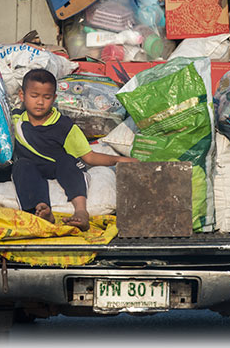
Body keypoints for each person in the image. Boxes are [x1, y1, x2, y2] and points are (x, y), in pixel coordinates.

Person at [11, 68, 138, 231]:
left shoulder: (64, 126)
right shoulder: (15, 119)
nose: (40, 102)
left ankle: (80, 211)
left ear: (54, 98)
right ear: (22, 95)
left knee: (67, 160)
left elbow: (89, 157)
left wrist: (118, 159)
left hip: (58, 167)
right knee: (21, 166)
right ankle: (42, 209)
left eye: (47, 97)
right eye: (34, 96)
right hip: (31, 168)